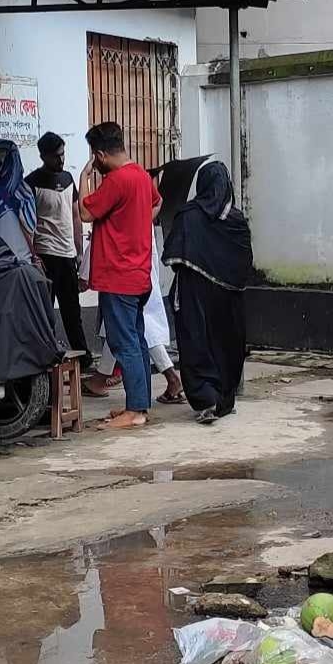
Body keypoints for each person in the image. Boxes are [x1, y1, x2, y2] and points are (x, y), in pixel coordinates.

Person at [77, 121, 160, 431]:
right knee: (136, 340)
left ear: (99, 154)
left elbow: (86, 213)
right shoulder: (140, 175)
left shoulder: (116, 181)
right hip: (140, 274)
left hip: (118, 276)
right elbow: (156, 203)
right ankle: (140, 405)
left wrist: (84, 179)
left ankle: (136, 410)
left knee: (124, 342)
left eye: (93, 158)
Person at [159, 157, 252, 424]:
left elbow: (175, 256)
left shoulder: (189, 215)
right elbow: (245, 261)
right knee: (226, 344)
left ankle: (207, 399)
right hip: (229, 298)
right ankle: (224, 399)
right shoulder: (236, 220)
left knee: (197, 342)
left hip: (194, 293)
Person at [24, 132, 90, 369]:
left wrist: (79, 251)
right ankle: (46, 358)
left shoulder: (69, 179)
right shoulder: (31, 182)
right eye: (56, 156)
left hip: (68, 254)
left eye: (62, 154)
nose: (61, 160)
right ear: (43, 156)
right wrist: (33, 254)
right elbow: (28, 223)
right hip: (45, 255)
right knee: (45, 311)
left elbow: (75, 216)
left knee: (72, 311)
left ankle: (83, 358)